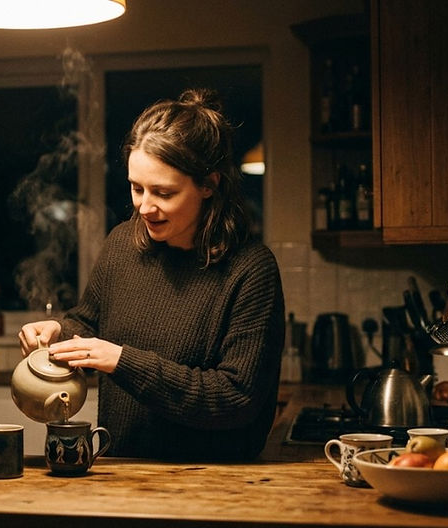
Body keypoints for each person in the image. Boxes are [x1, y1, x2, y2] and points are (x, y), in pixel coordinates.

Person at [19, 89, 285, 461]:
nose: (144, 207)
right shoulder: (122, 244)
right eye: (136, 188)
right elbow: (88, 323)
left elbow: (236, 398)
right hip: (121, 466)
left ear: (209, 185)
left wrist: (122, 362)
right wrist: (59, 331)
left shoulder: (251, 269)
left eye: (163, 192)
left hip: (213, 479)